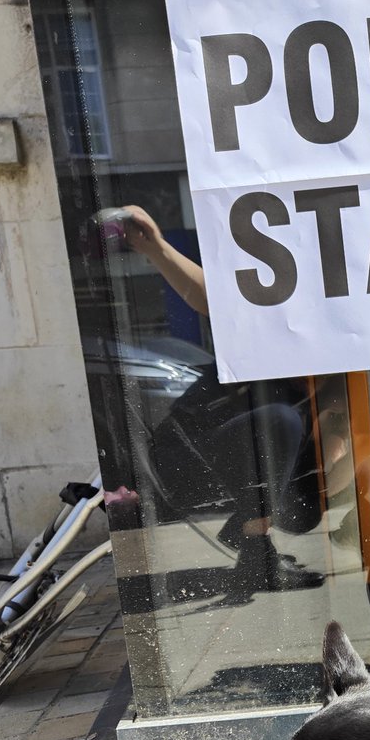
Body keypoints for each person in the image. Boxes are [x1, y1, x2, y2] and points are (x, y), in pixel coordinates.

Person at [122, 204, 325, 599]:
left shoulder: (327, 361)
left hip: (231, 457)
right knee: (283, 422)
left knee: (307, 495)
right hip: (186, 457)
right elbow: (211, 296)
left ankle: (250, 534)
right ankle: (255, 554)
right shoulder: (271, 316)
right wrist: (156, 247)